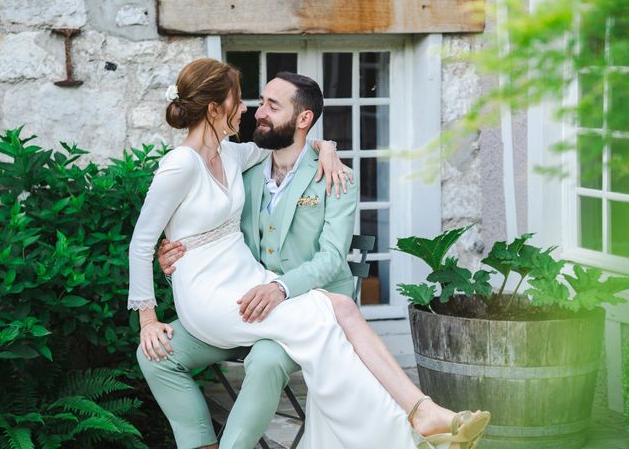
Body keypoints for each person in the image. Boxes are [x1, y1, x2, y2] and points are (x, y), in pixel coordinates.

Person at [129, 58, 490, 449]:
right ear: (216, 109)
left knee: (322, 323)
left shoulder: (236, 158)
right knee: (337, 312)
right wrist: (149, 315)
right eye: (249, 101)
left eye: (271, 104)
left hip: (258, 295)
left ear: (302, 119)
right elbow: (147, 241)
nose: (254, 110)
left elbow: (329, 255)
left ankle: (415, 424)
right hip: (226, 301)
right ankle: (416, 422)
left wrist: (327, 146)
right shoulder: (197, 165)